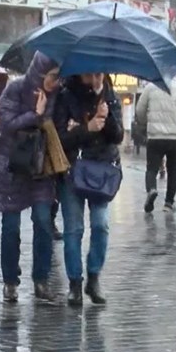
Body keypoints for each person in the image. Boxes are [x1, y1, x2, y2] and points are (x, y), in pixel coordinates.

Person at [0, 53, 61, 304]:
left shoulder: (58, 96)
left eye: (58, 77)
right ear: (40, 74)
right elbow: (7, 125)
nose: (56, 82)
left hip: (41, 168)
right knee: (11, 227)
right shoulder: (16, 90)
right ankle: (10, 281)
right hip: (13, 167)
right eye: (52, 77)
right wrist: (36, 114)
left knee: (43, 222)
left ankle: (41, 280)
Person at [54, 72, 124, 306]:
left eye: (99, 74)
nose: (95, 78)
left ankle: (94, 277)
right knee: (73, 229)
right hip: (73, 171)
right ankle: (75, 282)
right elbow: (60, 139)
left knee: (100, 224)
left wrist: (106, 116)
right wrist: (88, 127)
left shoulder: (109, 96)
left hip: (101, 170)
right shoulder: (66, 96)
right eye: (91, 73)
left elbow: (118, 135)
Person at [135, 78, 176, 213]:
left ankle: (151, 189)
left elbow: (140, 111)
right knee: (173, 170)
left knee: (152, 168)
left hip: (155, 136)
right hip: (175, 138)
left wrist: (147, 122)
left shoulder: (150, 88)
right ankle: (169, 203)